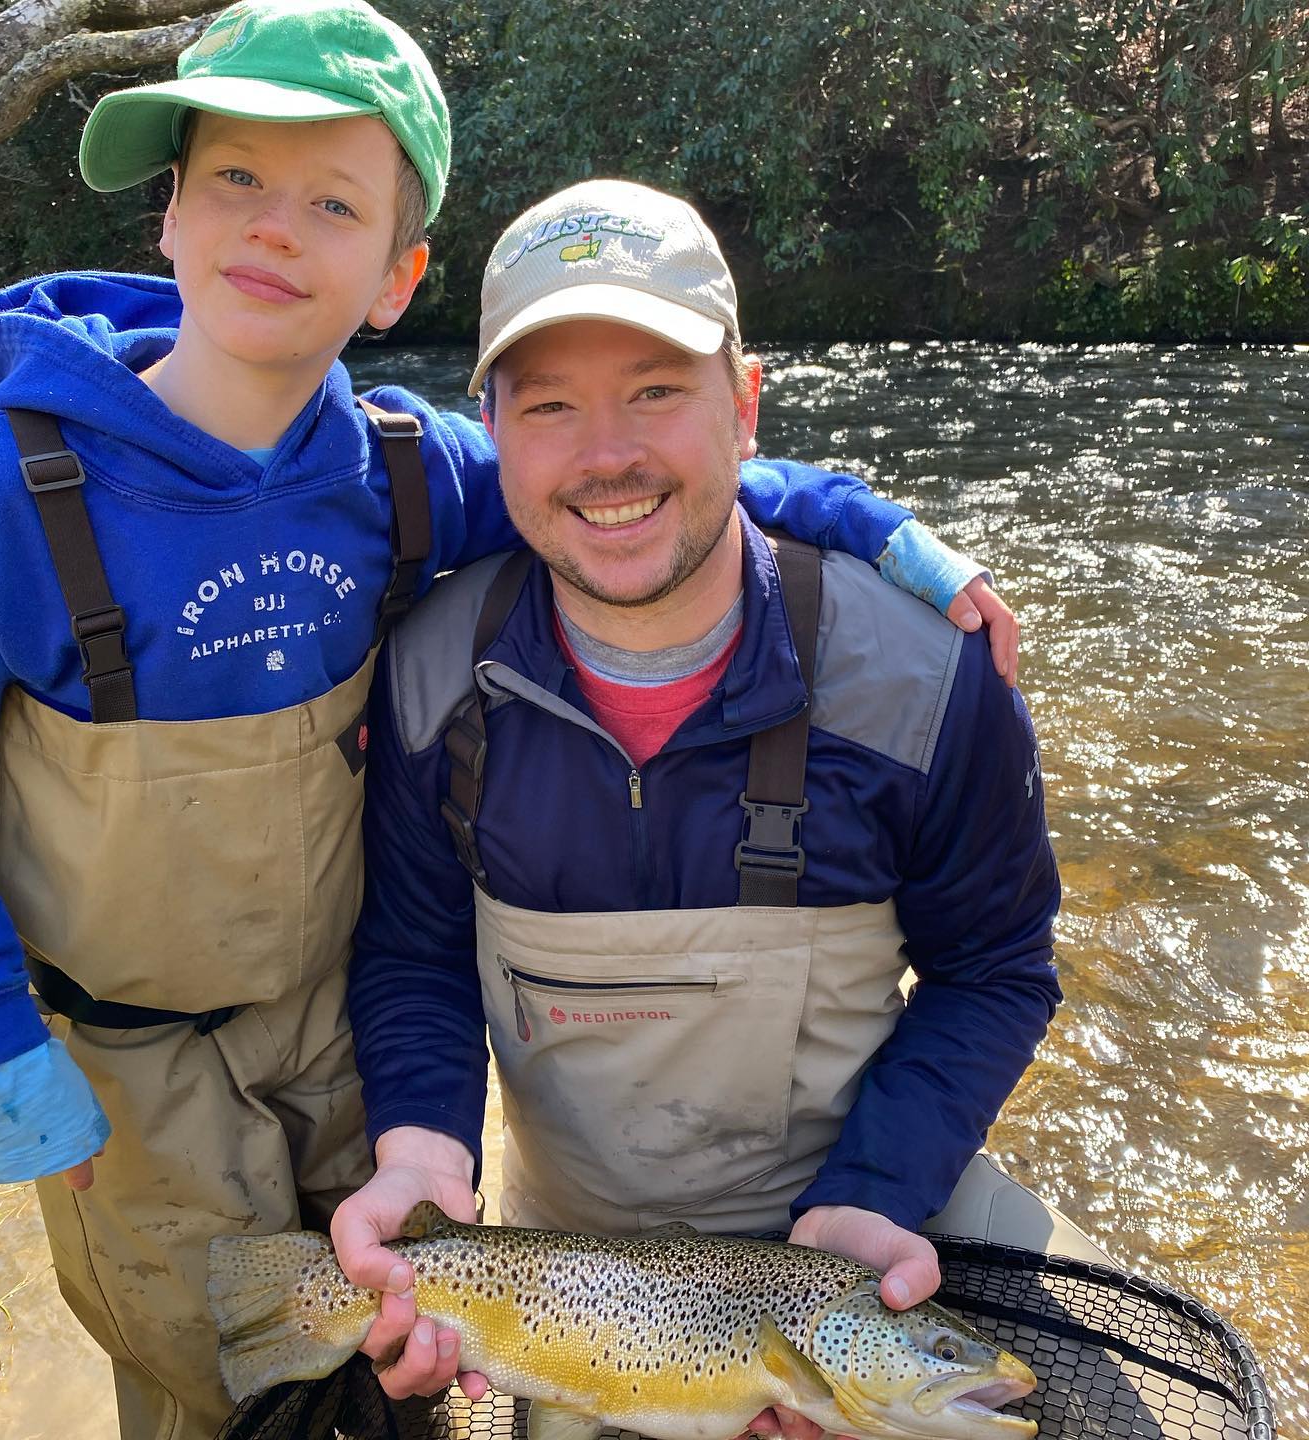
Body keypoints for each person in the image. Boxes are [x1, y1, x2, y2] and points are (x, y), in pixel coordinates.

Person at [0, 7, 1018, 1437]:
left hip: (339, 1030)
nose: (274, 230)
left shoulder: (417, 475)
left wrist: (881, 533)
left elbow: (637, 481)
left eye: (333, 203)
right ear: (164, 214)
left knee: (396, 1362)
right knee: (216, 1399)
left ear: (396, 278)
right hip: (120, 1060)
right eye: (231, 181)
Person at [334, 177, 1113, 1430]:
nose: (607, 455)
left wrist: (871, 1201)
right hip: (569, 1266)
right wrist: (422, 1149)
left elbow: (998, 970)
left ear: (745, 408)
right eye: (550, 406)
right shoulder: (427, 676)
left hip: (869, 1220)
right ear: (492, 430)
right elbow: (416, 955)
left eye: (656, 391)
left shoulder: (929, 680)